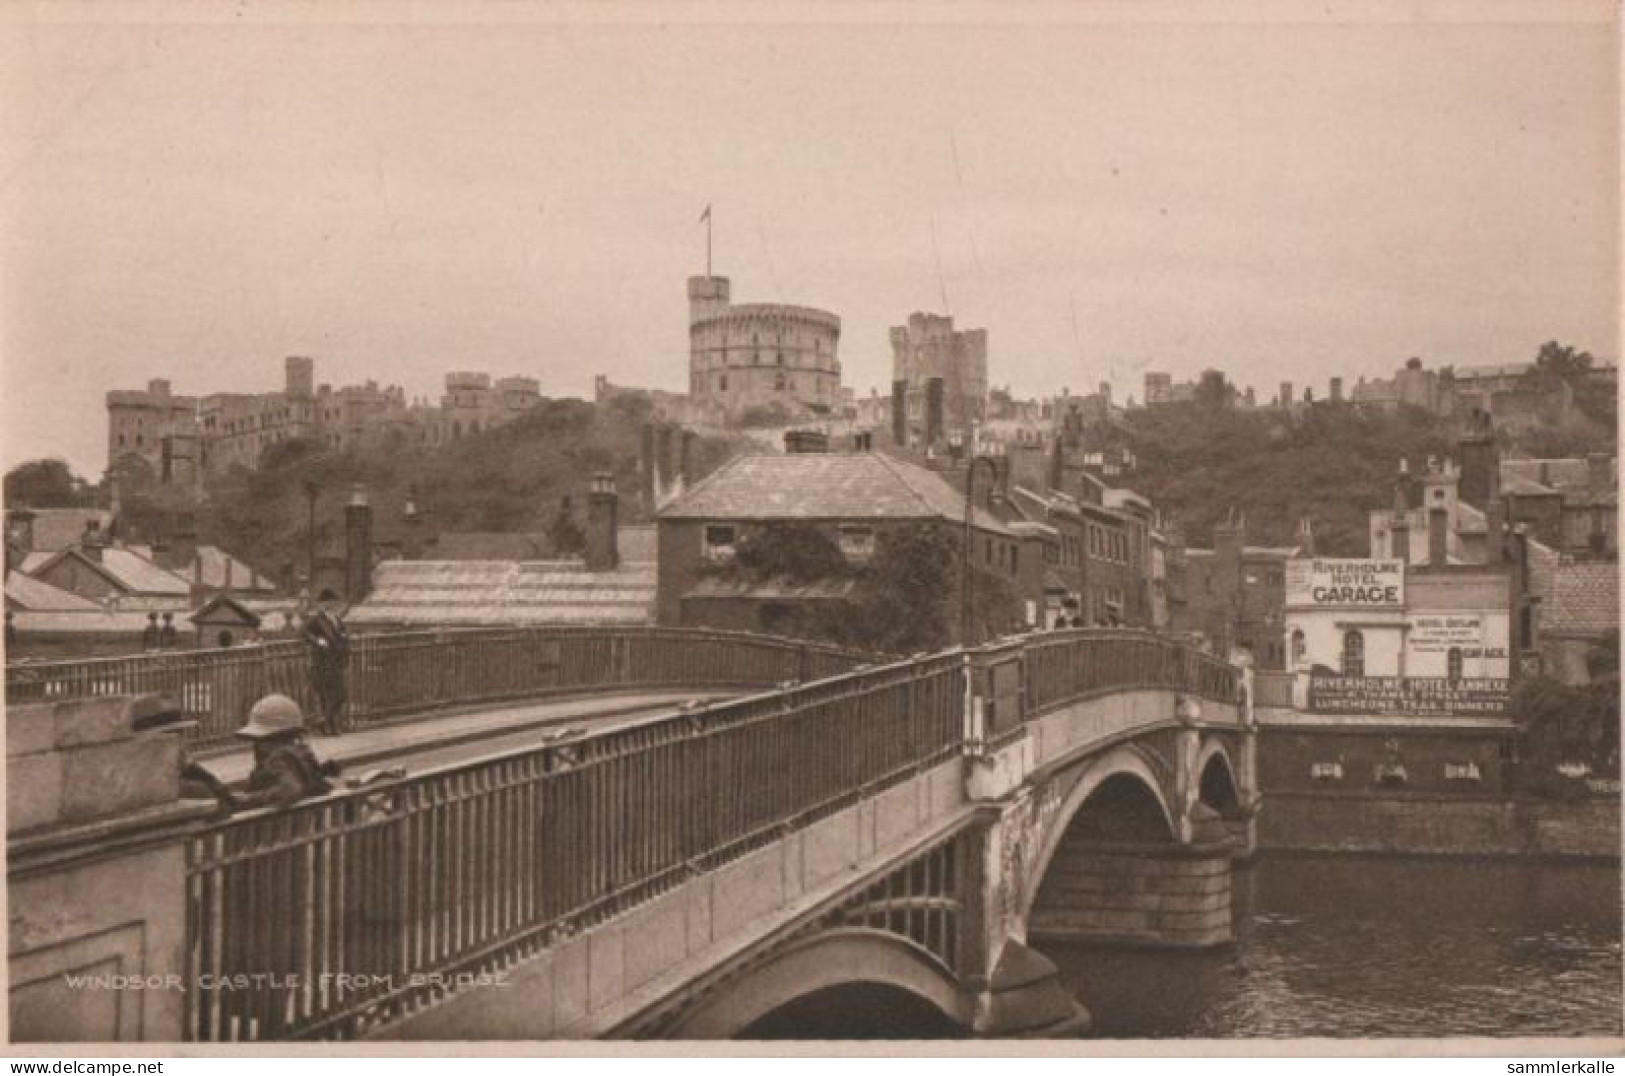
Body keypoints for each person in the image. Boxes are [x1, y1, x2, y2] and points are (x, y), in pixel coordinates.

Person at [181, 694, 340, 812]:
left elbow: (290, 790)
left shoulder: (279, 757)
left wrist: (250, 798)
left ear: (274, 738)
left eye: (260, 740)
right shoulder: (300, 752)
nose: (256, 746)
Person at [302, 602, 352, 735]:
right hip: (323, 663)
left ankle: (325, 722)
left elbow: (343, 633)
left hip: (337, 662)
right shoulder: (317, 620)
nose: (333, 609)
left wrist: (345, 637)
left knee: (340, 695)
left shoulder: (337, 619)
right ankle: (330, 726)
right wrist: (317, 641)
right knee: (329, 695)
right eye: (329, 606)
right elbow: (303, 631)